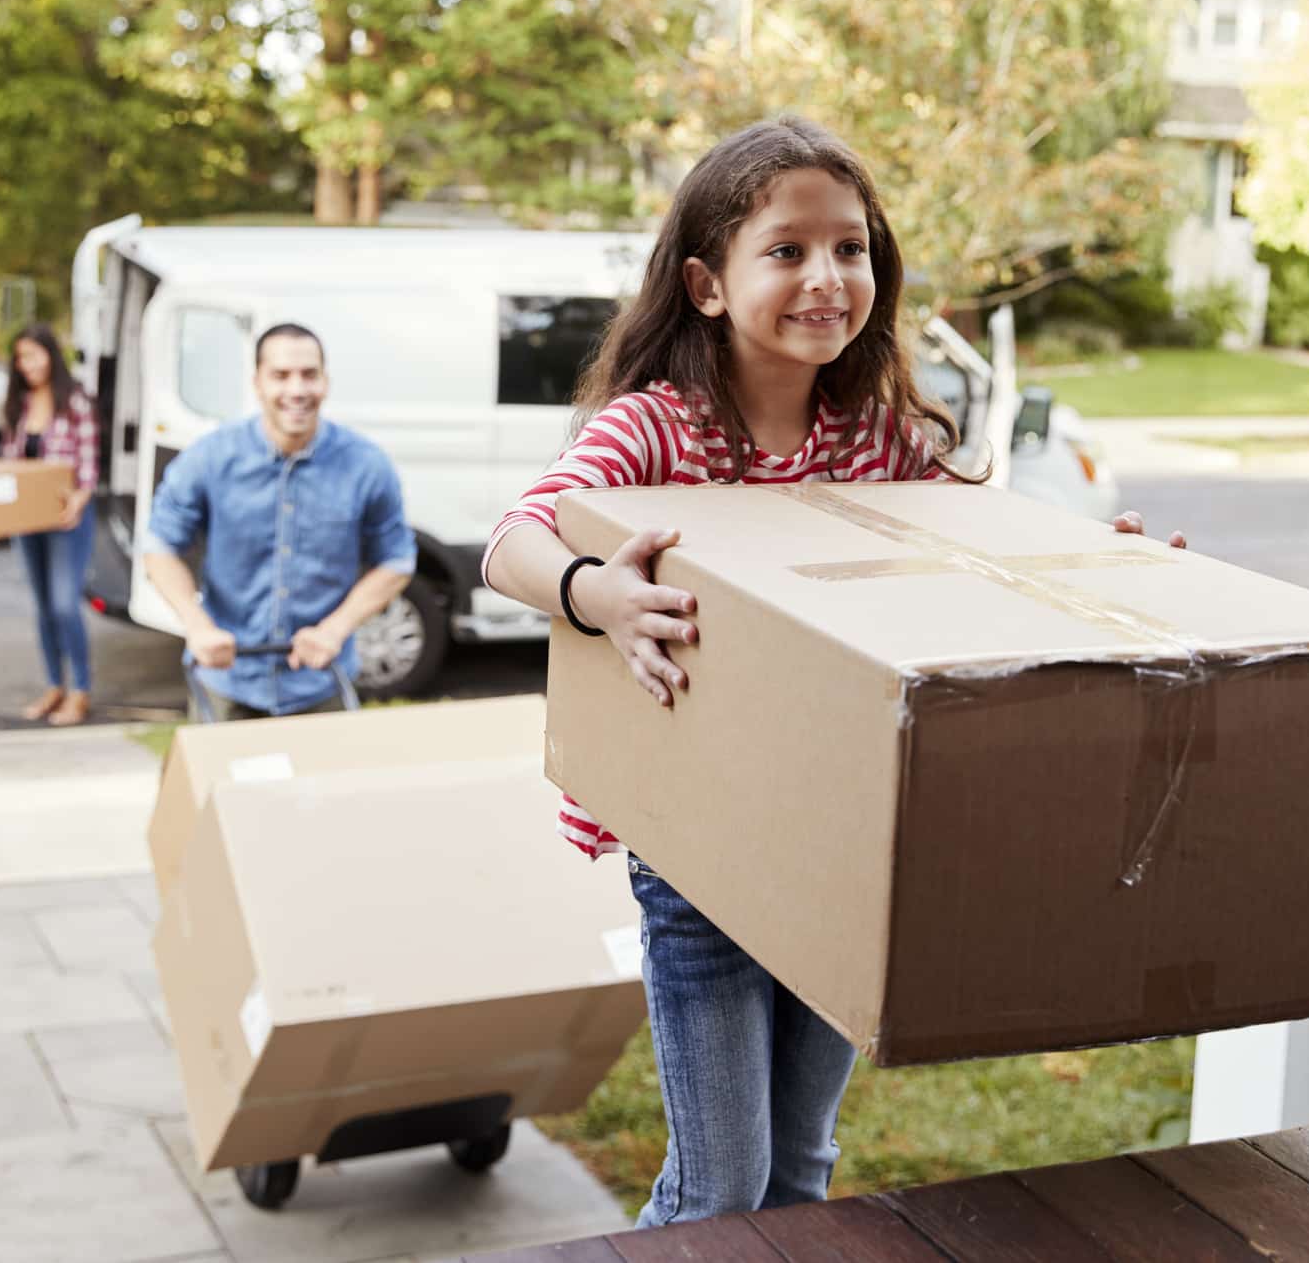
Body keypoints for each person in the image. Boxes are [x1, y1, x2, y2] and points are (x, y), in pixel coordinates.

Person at [482, 117, 1186, 1228]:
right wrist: (596, 592)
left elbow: (988, 553)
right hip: (700, 849)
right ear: (709, 284)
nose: (828, 276)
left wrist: (1113, 566)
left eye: (851, 248)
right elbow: (511, 538)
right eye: (789, 250)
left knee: (802, 1170)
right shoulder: (657, 430)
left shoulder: (877, 439)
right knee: (720, 1185)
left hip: (836, 845)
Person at [141, 322, 416, 718]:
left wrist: (335, 630)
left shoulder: (367, 466)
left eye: (309, 374)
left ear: (326, 381)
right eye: (281, 376)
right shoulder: (208, 458)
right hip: (227, 684)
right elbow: (159, 547)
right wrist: (196, 625)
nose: (297, 390)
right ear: (257, 383)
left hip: (322, 682)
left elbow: (396, 561)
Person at [3, 324, 101, 726]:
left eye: (33, 356)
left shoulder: (75, 400)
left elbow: (90, 464)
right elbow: (9, 464)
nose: (26, 365)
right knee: (43, 607)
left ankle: (80, 690)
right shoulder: (18, 404)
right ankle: (53, 686)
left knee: (64, 604)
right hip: (29, 519)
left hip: (67, 518)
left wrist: (79, 498)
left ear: (51, 355)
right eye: (20, 358)